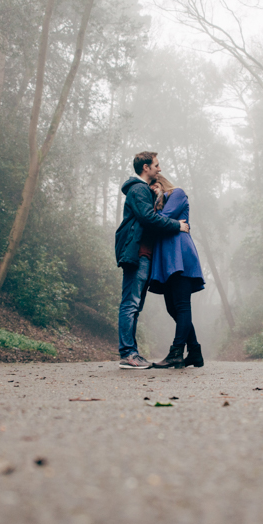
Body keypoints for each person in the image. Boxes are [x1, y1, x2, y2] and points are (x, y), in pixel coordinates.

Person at [114, 151, 189, 369]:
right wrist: (178, 225)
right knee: (131, 303)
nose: (159, 168)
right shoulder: (138, 189)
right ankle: (128, 354)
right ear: (146, 167)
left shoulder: (143, 190)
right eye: (156, 165)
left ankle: (131, 353)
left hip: (144, 254)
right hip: (137, 254)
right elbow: (148, 218)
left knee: (135, 305)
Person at [147, 173, 205, 369]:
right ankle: (195, 352)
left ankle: (176, 352)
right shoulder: (160, 204)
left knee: (181, 305)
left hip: (180, 254)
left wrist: (154, 220)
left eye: (154, 187)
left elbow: (161, 219)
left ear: (161, 183)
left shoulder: (177, 193)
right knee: (173, 307)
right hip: (167, 259)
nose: (153, 191)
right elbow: (157, 223)